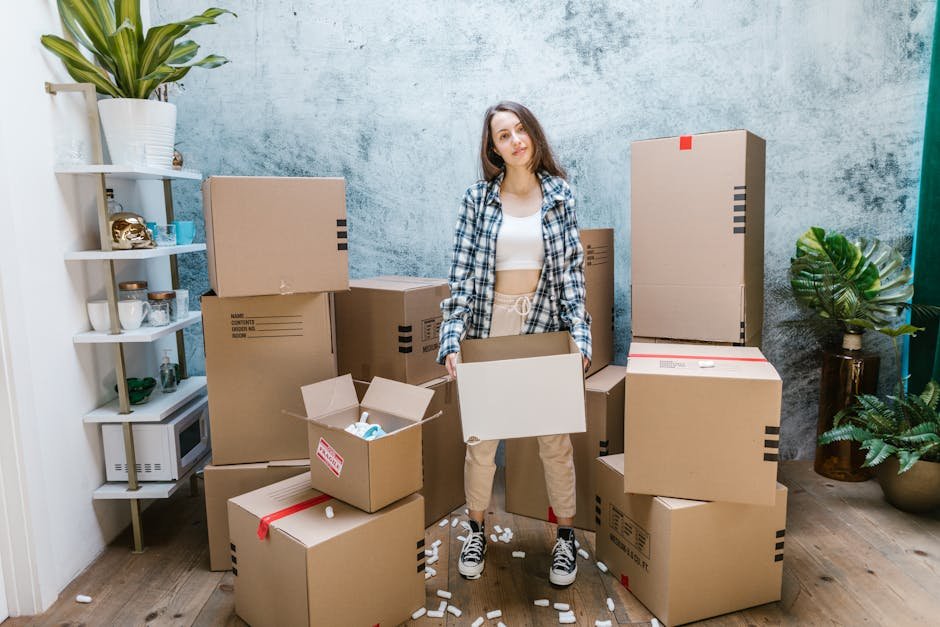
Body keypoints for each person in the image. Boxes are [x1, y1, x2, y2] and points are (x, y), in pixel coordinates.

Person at [437, 101, 591, 586]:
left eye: (520, 129)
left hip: (544, 325)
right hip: (489, 328)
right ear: (493, 148)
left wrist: (579, 340)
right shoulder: (476, 200)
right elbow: (460, 277)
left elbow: (571, 276)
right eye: (503, 135)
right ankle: (477, 528)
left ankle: (565, 538)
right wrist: (452, 339)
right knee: (482, 442)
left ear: (533, 135)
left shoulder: (560, 196)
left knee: (554, 439)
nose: (515, 140)